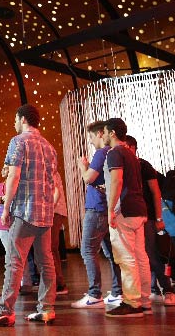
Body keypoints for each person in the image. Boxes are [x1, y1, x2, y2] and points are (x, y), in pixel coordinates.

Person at [0, 104, 57, 326]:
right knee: (46, 262)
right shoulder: (49, 147)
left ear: (22, 119)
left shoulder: (18, 142)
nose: (14, 123)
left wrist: (7, 207)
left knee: (14, 262)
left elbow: (13, 176)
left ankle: (4, 310)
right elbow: (52, 183)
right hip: (45, 213)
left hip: (24, 212)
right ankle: (47, 308)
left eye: (15, 119)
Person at [120, 135, 175, 307]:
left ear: (132, 148)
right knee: (135, 257)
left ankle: (168, 290)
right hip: (129, 216)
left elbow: (155, 192)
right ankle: (145, 291)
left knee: (151, 256)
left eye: (124, 147)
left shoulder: (143, 165)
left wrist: (159, 218)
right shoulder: (122, 167)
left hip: (148, 217)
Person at [71, 121, 123, 310]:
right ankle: (117, 291)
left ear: (101, 134)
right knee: (111, 253)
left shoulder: (102, 153)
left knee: (87, 250)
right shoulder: (113, 153)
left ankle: (94, 294)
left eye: (92, 137)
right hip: (106, 208)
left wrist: (82, 166)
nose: (91, 142)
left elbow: (88, 178)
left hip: (97, 208)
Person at [102, 118, 150, 318]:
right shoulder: (131, 154)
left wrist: (110, 209)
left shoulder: (115, 153)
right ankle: (144, 300)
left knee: (126, 257)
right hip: (139, 208)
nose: (103, 136)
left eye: (105, 132)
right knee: (140, 257)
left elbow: (117, 180)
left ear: (112, 133)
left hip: (124, 210)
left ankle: (132, 302)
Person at [51, 169, 68, 294]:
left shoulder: (49, 169)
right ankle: (56, 282)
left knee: (50, 248)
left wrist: (49, 209)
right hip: (55, 211)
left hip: (54, 212)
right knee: (51, 248)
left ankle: (58, 283)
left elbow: (56, 191)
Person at [0, 166, 10, 254]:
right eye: (2, 169)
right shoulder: (0, 186)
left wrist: (8, 198)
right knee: (8, 252)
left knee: (16, 253)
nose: (2, 171)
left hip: (14, 223)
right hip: (2, 224)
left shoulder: (17, 185)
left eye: (5, 169)